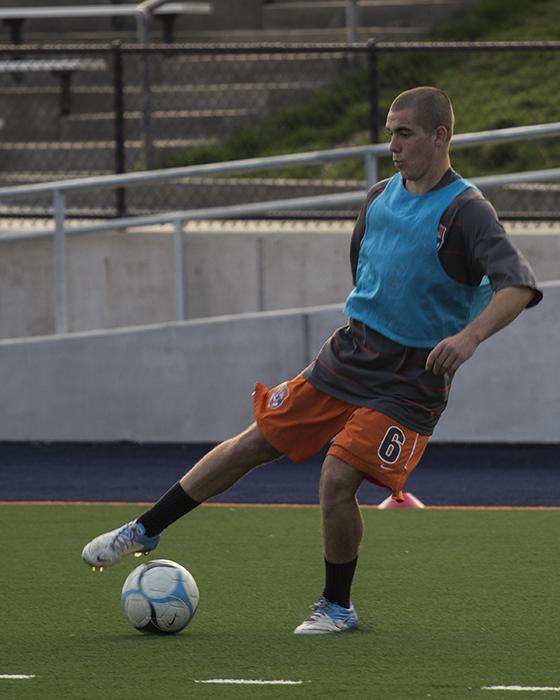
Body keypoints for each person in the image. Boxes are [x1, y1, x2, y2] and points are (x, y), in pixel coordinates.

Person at [82, 86, 542, 635]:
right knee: (253, 442)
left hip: (411, 380)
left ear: (440, 137)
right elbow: (367, 274)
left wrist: (468, 338)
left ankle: (336, 607)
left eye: (405, 133)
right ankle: (144, 529)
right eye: (389, 132)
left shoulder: (467, 211)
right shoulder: (377, 198)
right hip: (350, 355)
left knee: (336, 475)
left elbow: (519, 286)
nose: (392, 145)